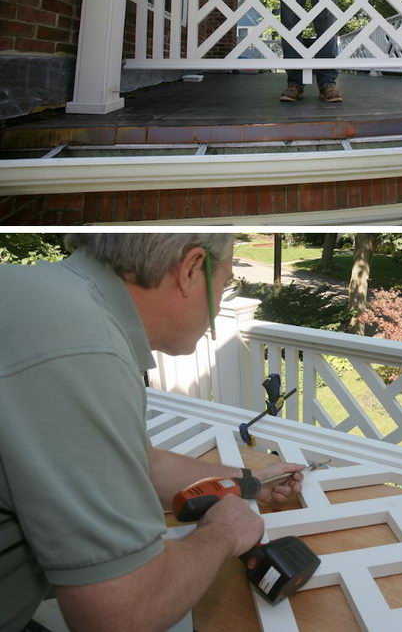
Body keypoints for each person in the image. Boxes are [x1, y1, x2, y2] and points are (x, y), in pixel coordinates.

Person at [0, 234, 304, 632]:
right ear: (192, 269)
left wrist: (250, 485)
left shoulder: (46, 299)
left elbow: (143, 463)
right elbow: (121, 614)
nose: (220, 303)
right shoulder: (84, 353)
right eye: (226, 284)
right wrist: (223, 535)